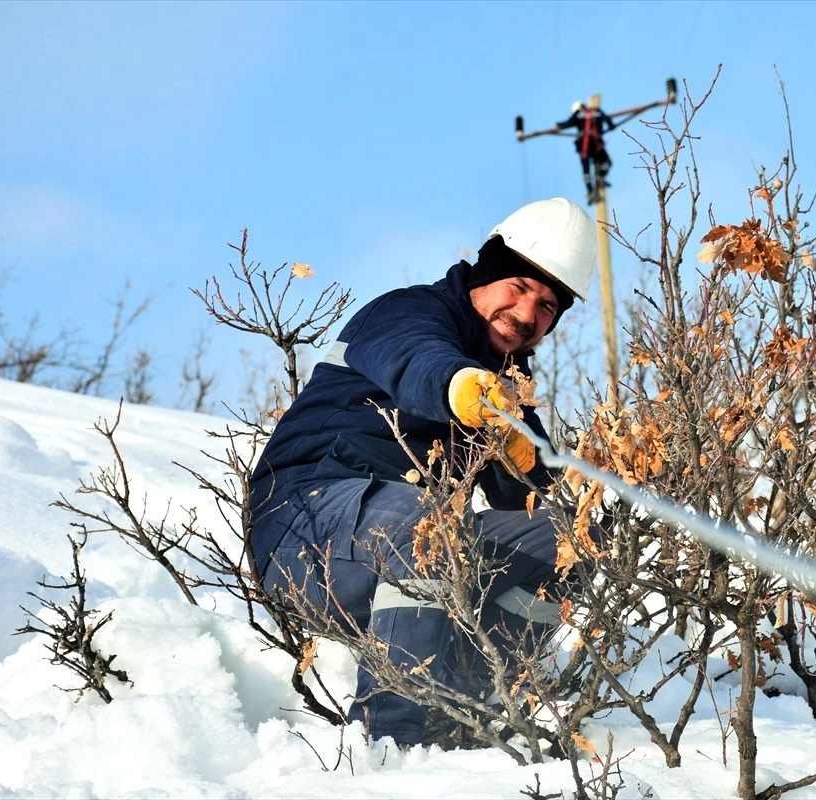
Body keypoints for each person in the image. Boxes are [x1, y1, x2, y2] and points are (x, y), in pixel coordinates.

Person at [247, 197, 598, 747]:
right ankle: (394, 746)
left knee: (570, 540)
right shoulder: (408, 313)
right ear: (485, 273)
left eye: (549, 305)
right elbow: (415, 355)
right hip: (303, 523)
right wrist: (457, 384)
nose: (529, 315)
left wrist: (537, 469)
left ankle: (471, 709)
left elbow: (530, 493)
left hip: (400, 546)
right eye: (521, 287)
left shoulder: (504, 390)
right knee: (426, 523)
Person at [557, 101, 615, 204]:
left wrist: (558, 125)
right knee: (607, 162)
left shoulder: (578, 114)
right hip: (596, 144)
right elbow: (608, 121)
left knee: (586, 170)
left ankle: (590, 191)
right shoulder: (597, 111)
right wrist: (611, 126)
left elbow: (567, 124)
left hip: (584, 146)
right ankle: (601, 175)